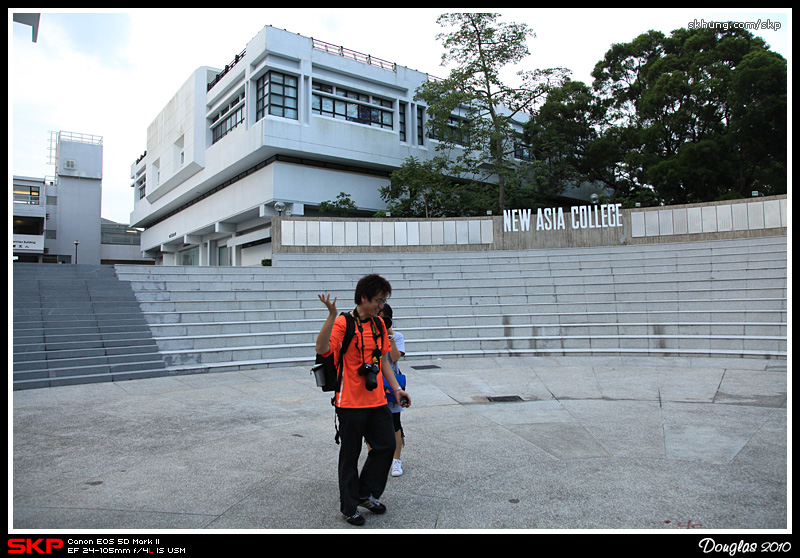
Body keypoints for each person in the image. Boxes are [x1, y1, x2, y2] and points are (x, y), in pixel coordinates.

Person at [315, 274, 411, 526]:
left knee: (386, 446)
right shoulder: (343, 323)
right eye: (378, 300)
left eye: (384, 301)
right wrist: (331, 316)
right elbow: (322, 348)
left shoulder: (379, 325)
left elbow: (384, 362)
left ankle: (364, 493)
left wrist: (396, 389)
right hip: (349, 403)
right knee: (350, 454)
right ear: (364, 298)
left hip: (377, 400)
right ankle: (349, 507)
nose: (381, 305)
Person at [378, 304, 406, 477]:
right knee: (373, 424)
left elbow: (394, 357)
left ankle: (396, 461)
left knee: (395, 423)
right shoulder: (370, 334)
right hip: (374, 383)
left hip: (391, 384)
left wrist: (390, 337)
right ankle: (378, 459)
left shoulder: (397, 336)